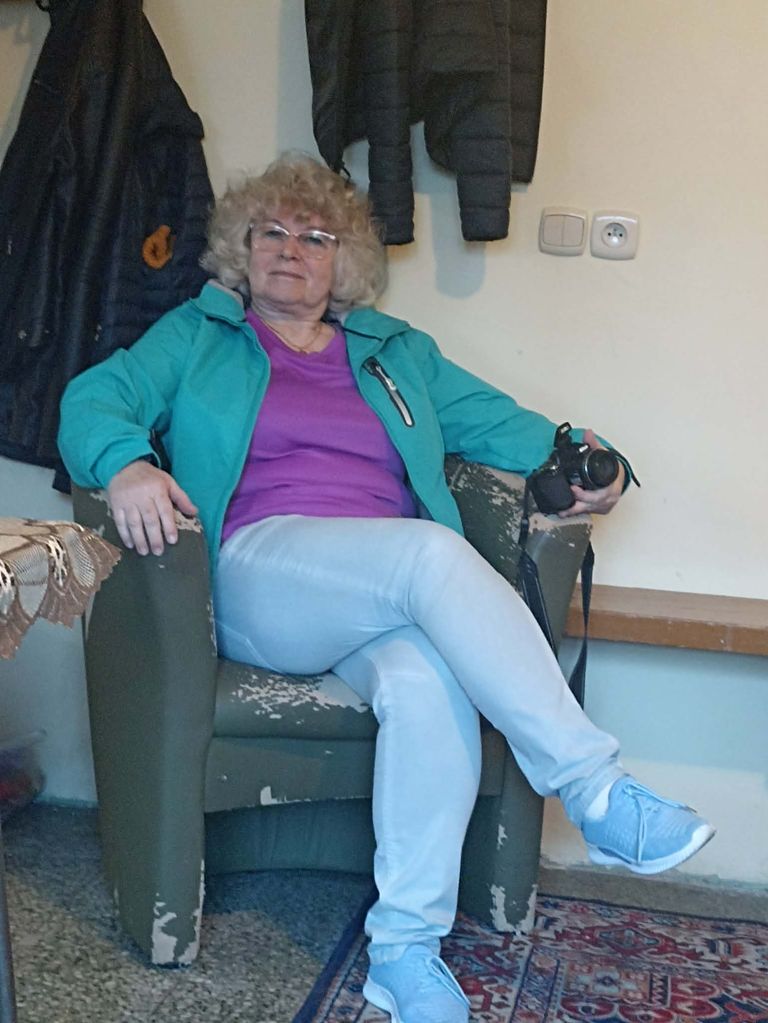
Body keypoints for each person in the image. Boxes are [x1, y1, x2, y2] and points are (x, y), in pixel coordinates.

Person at [58, 152, 714, 1023]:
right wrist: (128, 463)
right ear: (241, 248)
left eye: (315, 236)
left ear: (345, 261)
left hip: (380, 591)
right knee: (429, 556)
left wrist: (603, 462)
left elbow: (509, 426)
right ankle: (594, 785)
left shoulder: (396, 354)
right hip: (263, 574)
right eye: (271, 232)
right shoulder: (198, 335)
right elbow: (92, 398)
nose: (290, 249)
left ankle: (404, 953)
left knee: (427, 682)